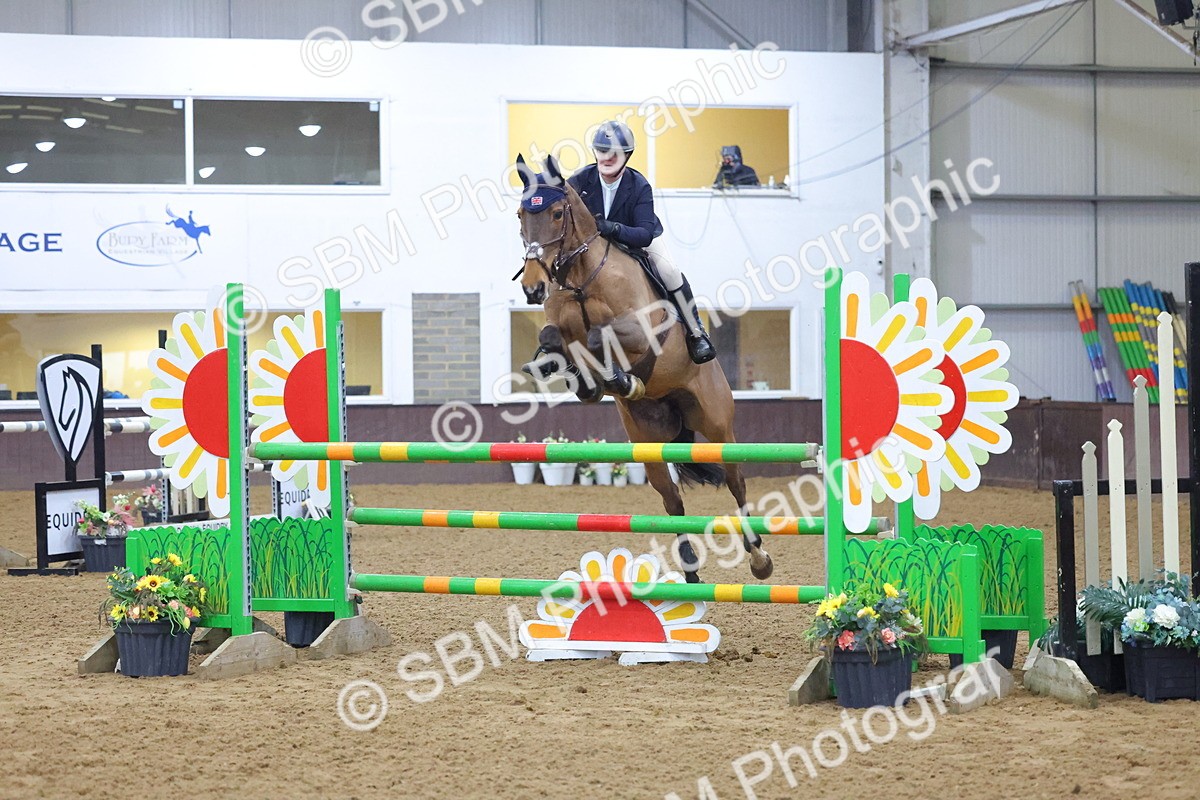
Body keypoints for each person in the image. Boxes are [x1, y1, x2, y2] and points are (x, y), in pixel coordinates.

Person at [568, 120, 716, 364]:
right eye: (602, 151)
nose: (606, 157)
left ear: (627, 155)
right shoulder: (581, 180)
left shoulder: (639, 185)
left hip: (636, 243)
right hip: (594, 248)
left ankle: (695, 332)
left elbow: (644, 233)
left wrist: (613, 228)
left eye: (614, 153)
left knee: (670, 271)